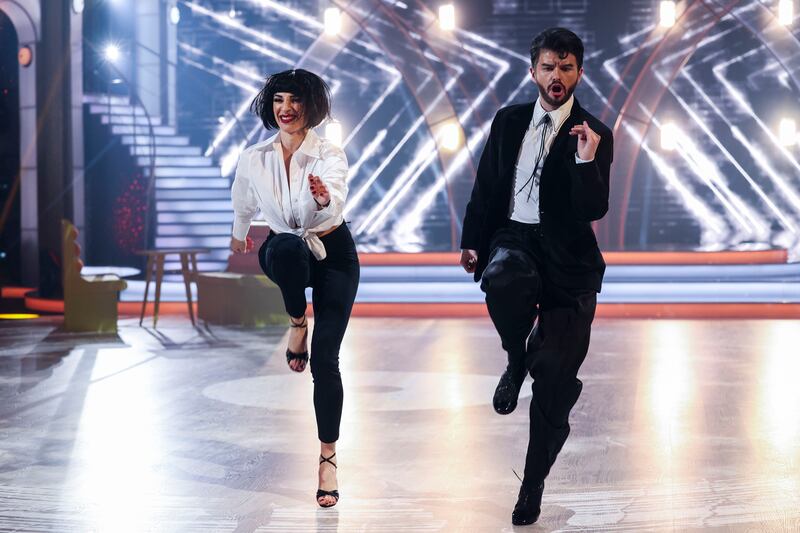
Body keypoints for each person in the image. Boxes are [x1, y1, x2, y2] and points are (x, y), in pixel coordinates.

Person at [459, 28, 613, 525]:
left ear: (579, 73)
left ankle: (532, 485)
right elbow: (487, 185)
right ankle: (513, 359)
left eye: (566, 68)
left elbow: (595, 207)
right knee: (502, 278)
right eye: (548, 67)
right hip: (516, 239)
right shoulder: (508, 122)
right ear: (534, 72)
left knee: (553, 380)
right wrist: (473, 241)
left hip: (569, 260)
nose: (557, 77)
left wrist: (587, 159)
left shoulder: (593, 131)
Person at [230, 68, 359, 509]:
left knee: (326, 359)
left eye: (295, 100)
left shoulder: (329, 154)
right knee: (286, 246)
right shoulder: (255, 156)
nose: (286, 108)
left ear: (311, 107)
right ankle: (296, 319)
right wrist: (241, 229)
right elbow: (243, 197)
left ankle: (328, 457)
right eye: (279, 99)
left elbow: (335, 197)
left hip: (333, 253)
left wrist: (322, 198)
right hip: (284, 252)